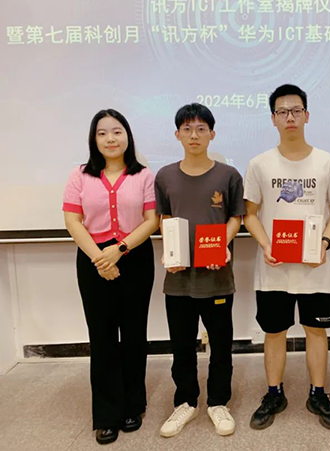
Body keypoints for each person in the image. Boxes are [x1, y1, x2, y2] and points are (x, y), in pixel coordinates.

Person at [244, 84, 330, 430]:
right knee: (274, 331)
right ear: (273, 119)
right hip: (273, 268)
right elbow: (250, 214)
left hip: (316, 267)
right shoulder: (259, 164)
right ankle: (274, 393)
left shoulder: (326, 161)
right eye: (282, 111)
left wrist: (325, 243)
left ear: (307, 115)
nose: (290, 117)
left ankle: (318, 393)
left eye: (296, 110)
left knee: (316, 330)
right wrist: (266, 244)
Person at [63, 109, 158, 445]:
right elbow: (73, 221)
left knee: (133, 335)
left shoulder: (143, 175)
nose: (110, 139)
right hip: (93, 260)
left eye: (117, 131)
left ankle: (133, 406)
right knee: (102, 337)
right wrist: (100, 258)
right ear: (94, 139)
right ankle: (105, 415)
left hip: (134, 257)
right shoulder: (79, 175)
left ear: (127, 135)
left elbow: (151, 220)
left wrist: (119, 250)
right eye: (102, 133)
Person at [155, 103, 246, 437]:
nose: (194, 135)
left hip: (217, 276)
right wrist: (170, 249)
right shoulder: (165, 176)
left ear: (212, 134)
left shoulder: (228, 175)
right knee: (181, 346)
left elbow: (236, 217)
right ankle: (186, 402)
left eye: (201, 129)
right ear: (177, 134)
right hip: (178, 279)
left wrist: (222, 244)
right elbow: (164, 217)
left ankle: (218, 402)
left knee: (221, 345)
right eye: (187, 129)